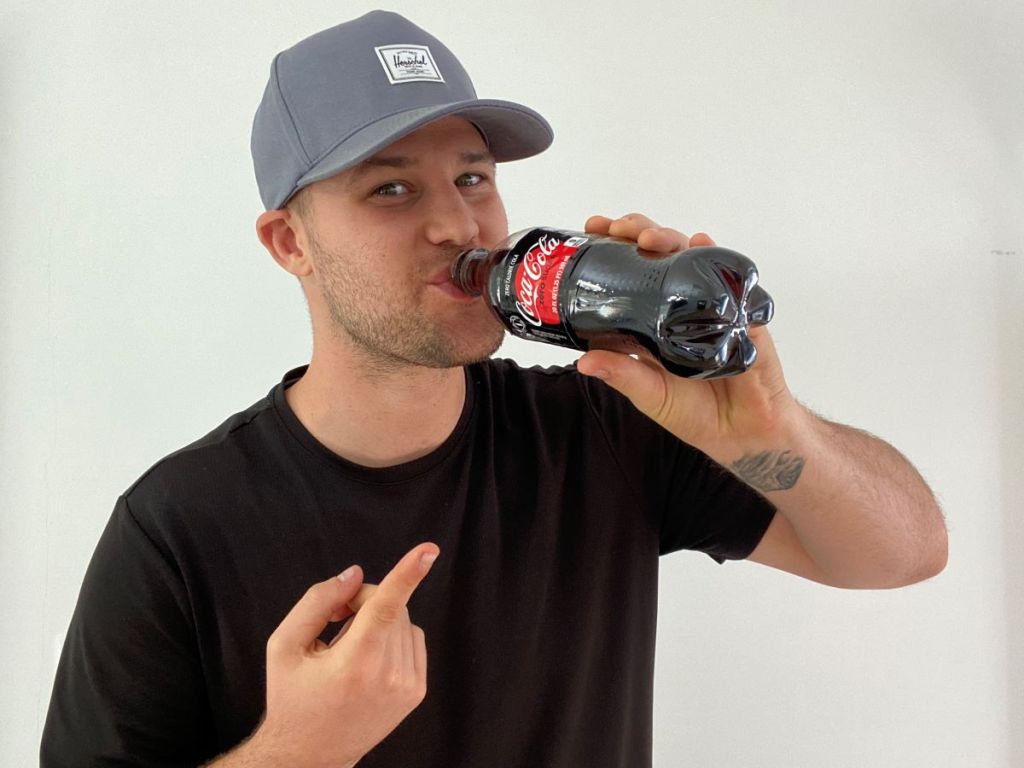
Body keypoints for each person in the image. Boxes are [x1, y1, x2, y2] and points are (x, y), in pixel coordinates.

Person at [40, 10, 947, 768]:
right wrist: (294, 752)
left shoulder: (603, 429)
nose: (457, 223)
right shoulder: (176, 528)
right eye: (391, 189)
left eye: (473, 177)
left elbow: (904, 553)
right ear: (290, 244)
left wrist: (766, 428)